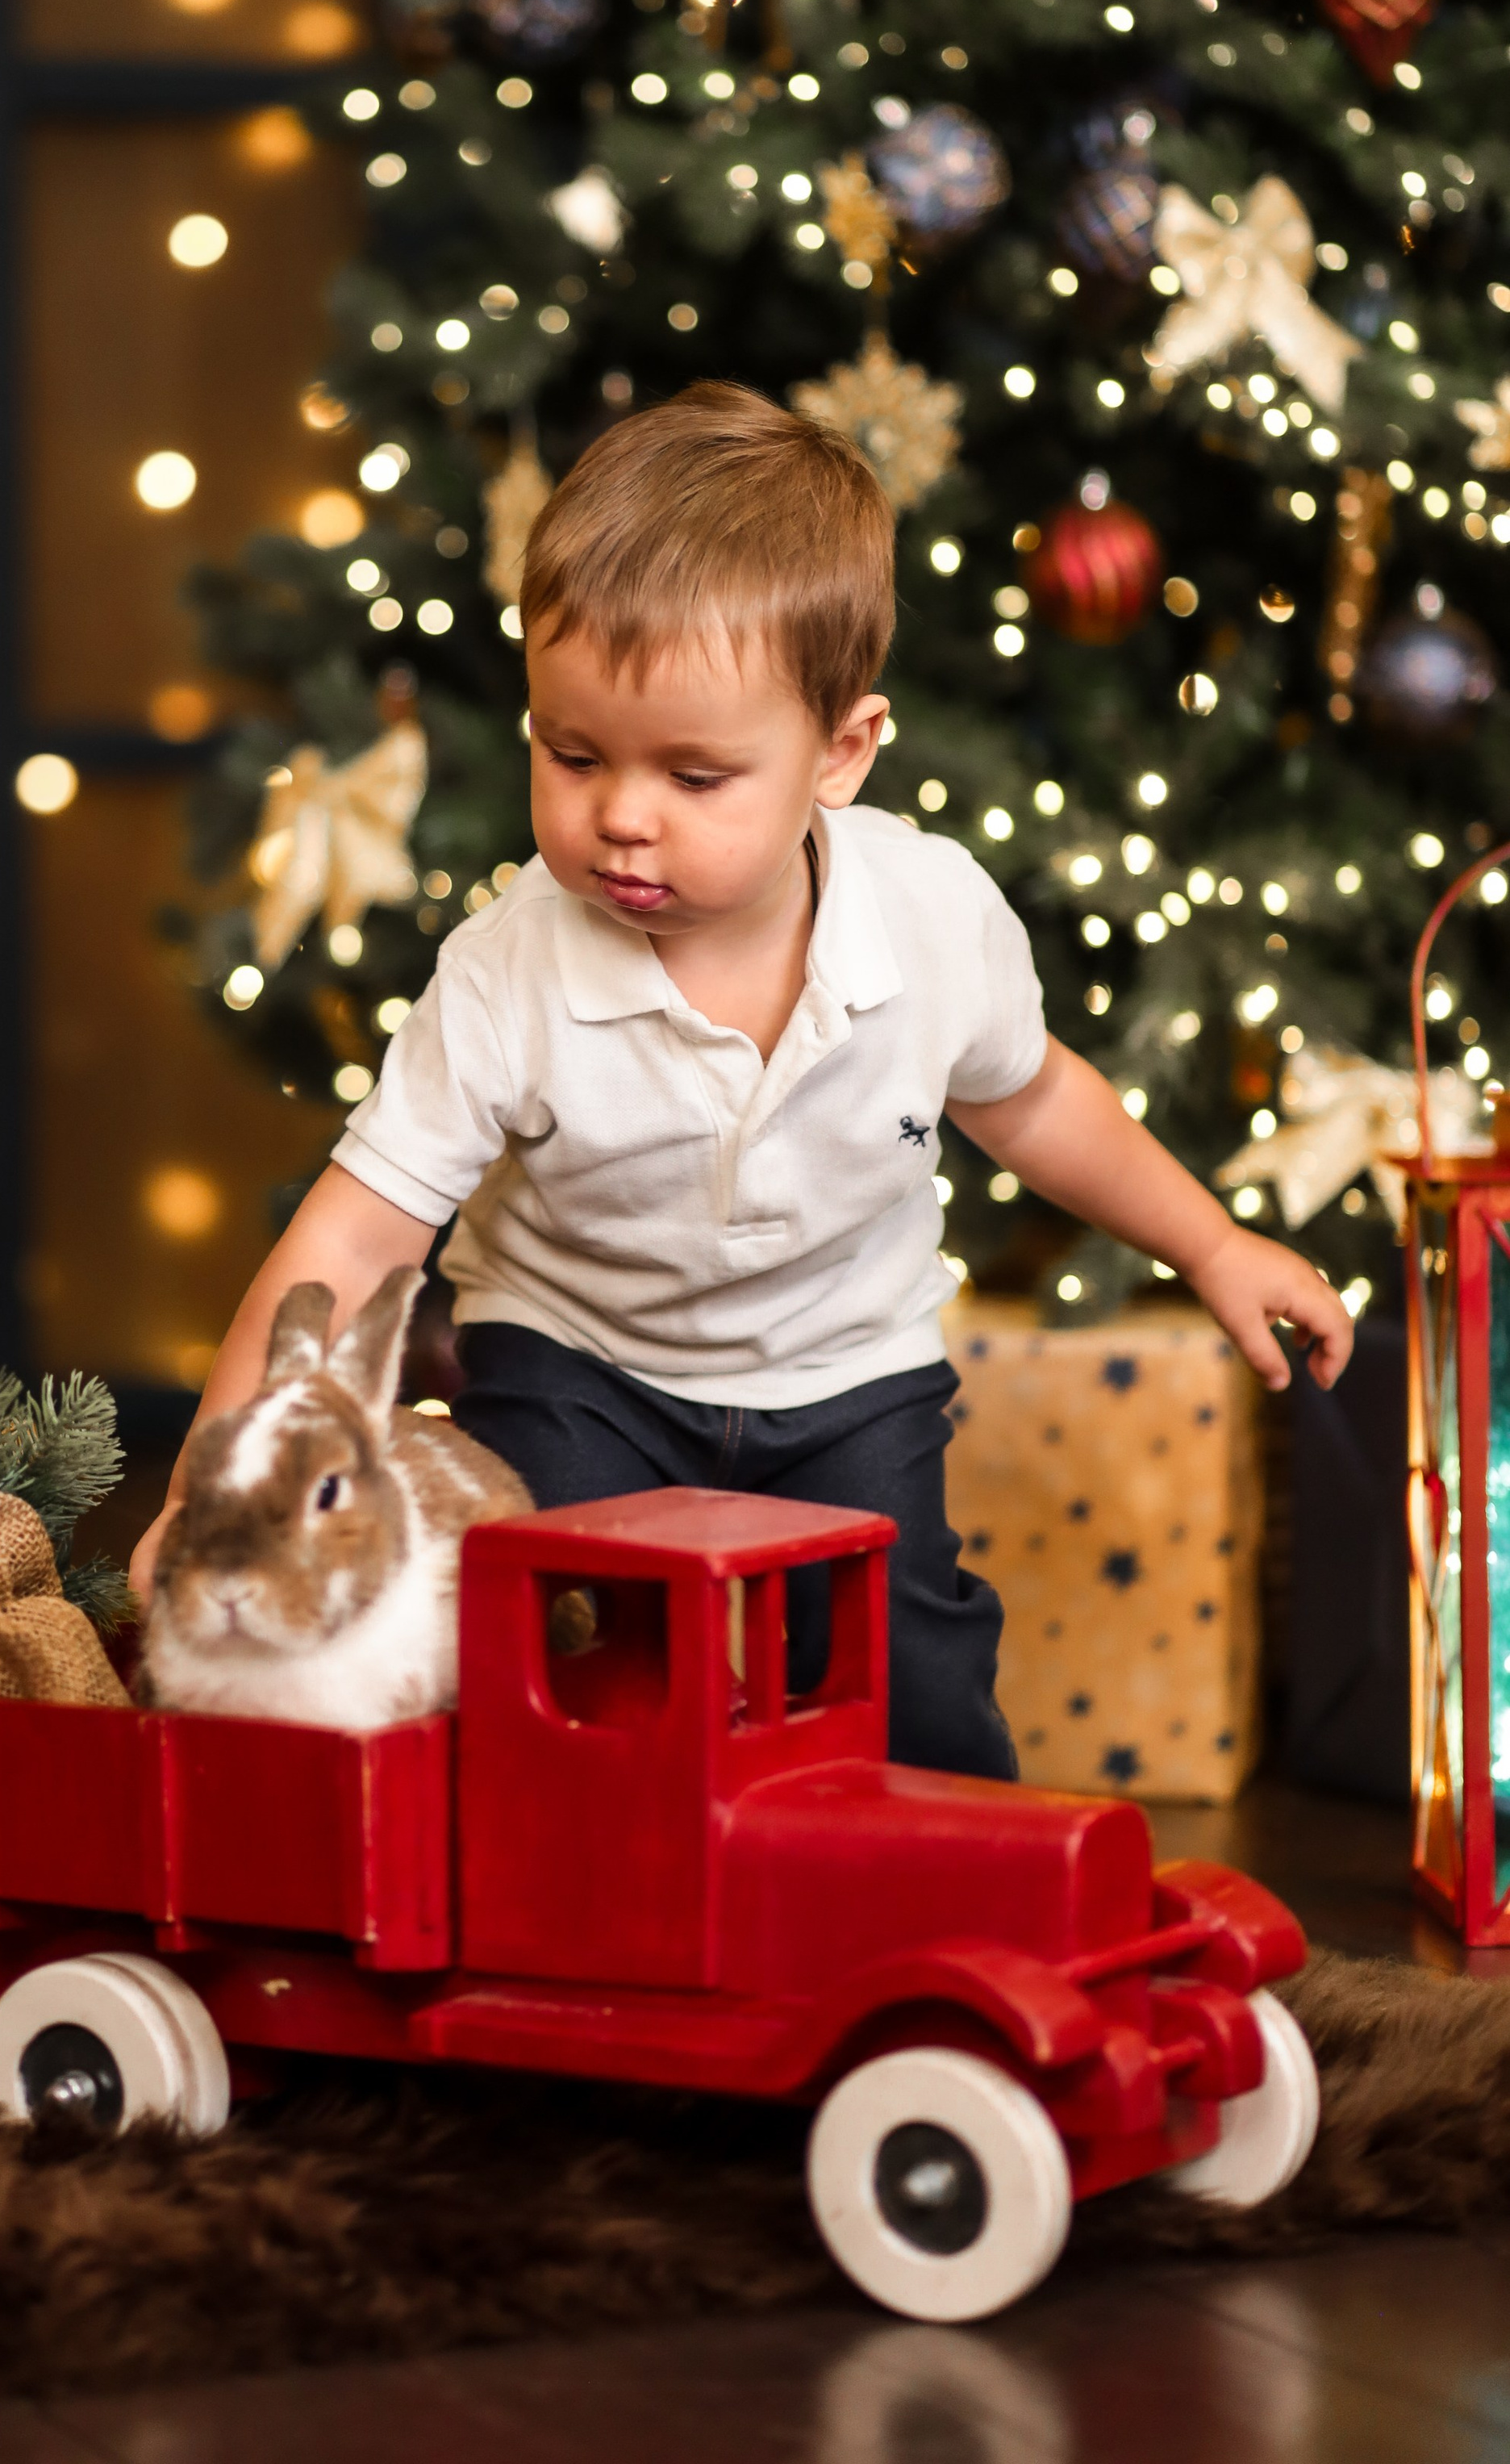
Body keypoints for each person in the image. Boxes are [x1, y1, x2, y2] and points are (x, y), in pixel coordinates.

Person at [128, 382, 1350, 1775]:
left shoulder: (933, 919)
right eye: (571, 754)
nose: (620, 816)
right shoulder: (507, 971)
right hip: (579, 1361)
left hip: (849, 1365)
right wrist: (213, 1486)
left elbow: (1037, 1099)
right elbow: (353, 1234)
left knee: (908, 1662)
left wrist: (1211, 1241)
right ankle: (572, 1904)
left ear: (842, 753)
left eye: (696, 777)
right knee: (544, 1630)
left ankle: (934, 1893)